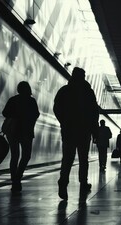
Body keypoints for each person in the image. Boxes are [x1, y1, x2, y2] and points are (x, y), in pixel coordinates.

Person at [53, 67, 99, 200]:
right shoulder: (88, 92)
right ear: (83, 77)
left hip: (69, 130)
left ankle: (63, 182)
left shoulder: (64, 91)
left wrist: (64, 122)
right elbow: (94, 112)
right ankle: (83, 183)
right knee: (83, 158)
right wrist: (94, 130)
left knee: (67, 158)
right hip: (84, 130)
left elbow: (56, 108)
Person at [2, 81, 40, 192]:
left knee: (15, 156)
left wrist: (15, 115)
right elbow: (36, 114)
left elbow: (4, 113)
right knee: (26, 155)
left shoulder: (13, 100)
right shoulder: (31, 101)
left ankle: (15, 180)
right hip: (26, 132)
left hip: (12, 131)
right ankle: (18, 177)